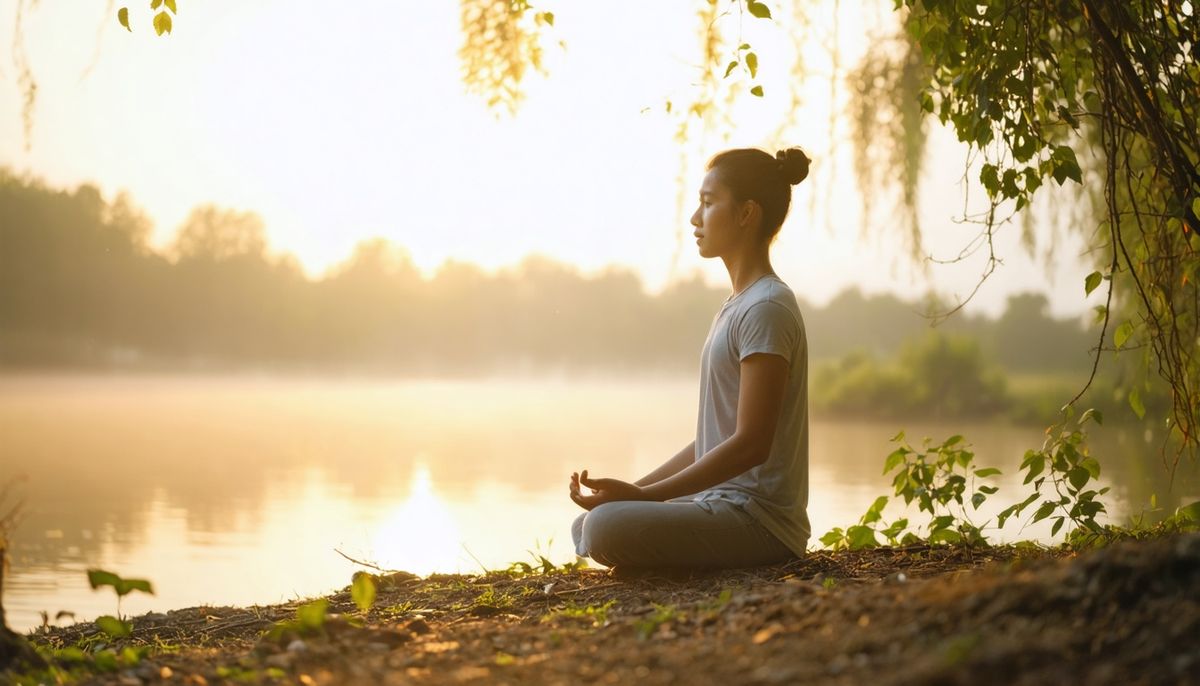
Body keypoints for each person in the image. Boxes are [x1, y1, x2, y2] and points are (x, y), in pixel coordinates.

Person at [569, 146, 812, 570]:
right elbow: (712, 442)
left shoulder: (767, 308)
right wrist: (636, 488)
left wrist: (646, 498)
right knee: (589, 522)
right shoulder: (737, 305)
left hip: (759, 521)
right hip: (720, 504)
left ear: (746, 213)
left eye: (707, 202)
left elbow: (752, 444)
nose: (695, 219)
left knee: (606, 528)